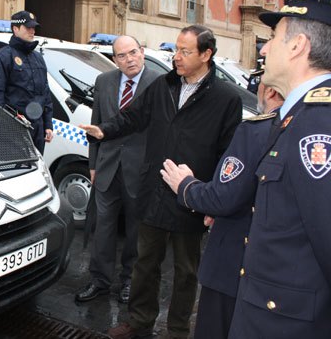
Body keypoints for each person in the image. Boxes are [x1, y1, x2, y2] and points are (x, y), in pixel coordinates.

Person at [80, 25, 242, 339]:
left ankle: (178, 331)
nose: (176, 57)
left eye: (185, 51)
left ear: (206, 55)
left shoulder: (226, 99)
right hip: (154, 191)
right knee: (145, 263)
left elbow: (228, 153)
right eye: (175, 50)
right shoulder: (164, 86)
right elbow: (133, 117)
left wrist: (213, 197)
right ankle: (139, 322)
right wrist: (105, 130)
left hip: (190, 196)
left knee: (185, 271)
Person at [228, 0, 331, 338]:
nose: (265, 46)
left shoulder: (317, 125)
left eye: (273, 36)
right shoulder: (298, 114)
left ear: (297, 46)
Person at [159, 74, 284, 339]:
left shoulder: (257, 130)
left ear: (270, 92)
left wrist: (185, 185)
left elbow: (222, 197)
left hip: (233, 266)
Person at [75, 36, 161, 304]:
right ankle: (100, 280)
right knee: (103, 227)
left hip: (142, 170)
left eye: (133, 52)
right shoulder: (105, 82)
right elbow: (96, 125)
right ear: (115, 60)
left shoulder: (159, 82)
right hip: (107, 166)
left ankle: (129, 281)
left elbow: (164, 130)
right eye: (122, 56)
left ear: (142, 53)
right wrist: (92, 163)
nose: (129, 59)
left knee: (136, 230)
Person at [0, 10, 53, 154]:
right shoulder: (2, 57)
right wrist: (9, 126)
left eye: (33, 28)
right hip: (12, 129)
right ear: (15, 29)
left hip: (37, 128)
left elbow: (45, 93)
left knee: (36, 170)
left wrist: (48, 124)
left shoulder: (38, 58)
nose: (32, 31)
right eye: (28, 28)